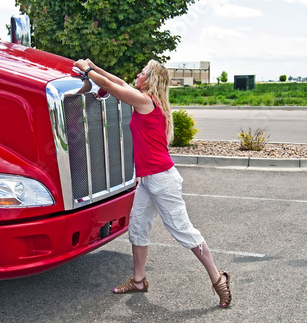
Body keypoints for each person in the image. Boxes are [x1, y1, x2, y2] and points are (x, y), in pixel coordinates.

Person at [73, 58, 232, 308]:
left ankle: (217, 277)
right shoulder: (145, 99)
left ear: (150, 80)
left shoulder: (146, 102)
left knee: (183, 230)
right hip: (147, 180)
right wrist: (95, 66)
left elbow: (113, 88)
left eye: (143, 72)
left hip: (163, 180)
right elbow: (118, 82)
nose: (138, 74)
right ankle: (138, 281)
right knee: (137, 227)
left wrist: (88, 70)